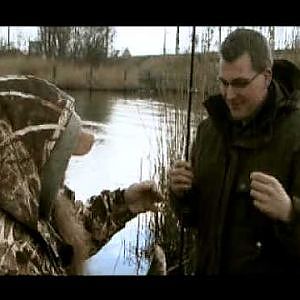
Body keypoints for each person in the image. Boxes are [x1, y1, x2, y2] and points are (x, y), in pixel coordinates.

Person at [0, 75, 163, 275]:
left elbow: (69, 236)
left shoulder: (29, 202)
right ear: (28, 159)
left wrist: (125, 203)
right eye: (61, 157)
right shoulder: (9, 258)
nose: (65, 169)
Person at [168, 28, 300, 275]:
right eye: (223, 83)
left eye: (240, 84)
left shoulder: (296, 136)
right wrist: (180, 194)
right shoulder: (209, 131)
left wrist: (290, 214)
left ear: (267, 76)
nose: (229, 95)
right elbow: (192, 219)